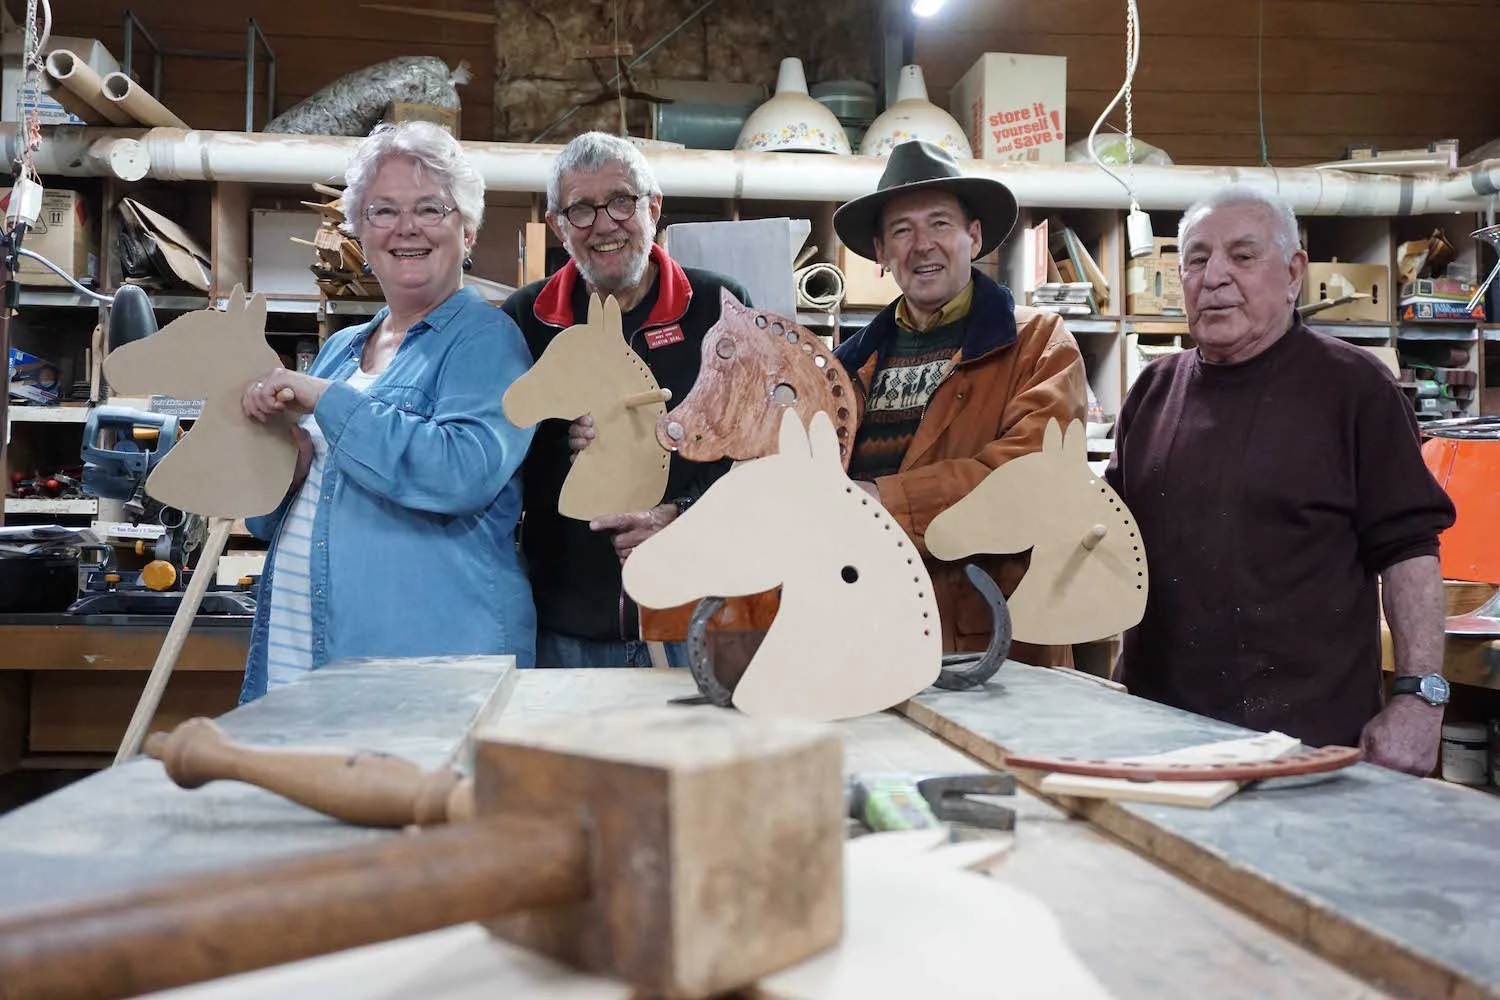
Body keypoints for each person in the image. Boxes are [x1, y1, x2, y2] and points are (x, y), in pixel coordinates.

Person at [1105, 185, 1456, 773]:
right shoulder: (1151, 391)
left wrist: (1421, 699)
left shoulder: (1356, 390)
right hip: (1157, 734)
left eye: (1242, 256)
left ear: (1294, 273)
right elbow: (1113, 544)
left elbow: (1409, 552)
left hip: (1308, 744)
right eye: (1196, 259)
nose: (1214, 276)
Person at [238, 120, 537, 701]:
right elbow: (267, 520)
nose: (406, 229)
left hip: (428, 665)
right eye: (383, 211)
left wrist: (325, 402)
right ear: (359, 230)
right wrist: (286, 458)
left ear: (468, 231)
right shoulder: (339, 350)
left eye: (431, 209)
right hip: (305, 652)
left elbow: (462, 472)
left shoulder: (486, 341)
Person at [831, 139, 1089, 667]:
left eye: (940, 223)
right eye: (902, 230)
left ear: (974, 237)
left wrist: (882, 502)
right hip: (875, 636)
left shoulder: (1040, 344)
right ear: (881, 253)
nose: (922, 244)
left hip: (995, 646)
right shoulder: (845, 368)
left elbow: (1031, 481)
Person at [502, 131, 752, 668]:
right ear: (558, 227)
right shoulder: (523, 319)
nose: (605, 225)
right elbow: (500, 465)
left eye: (621, 201)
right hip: (567, 629)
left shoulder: (719, 308)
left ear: (653, 207)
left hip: (697, 620)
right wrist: (563, 446)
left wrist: (678, 515)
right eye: (581, 210)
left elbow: (758, 457)